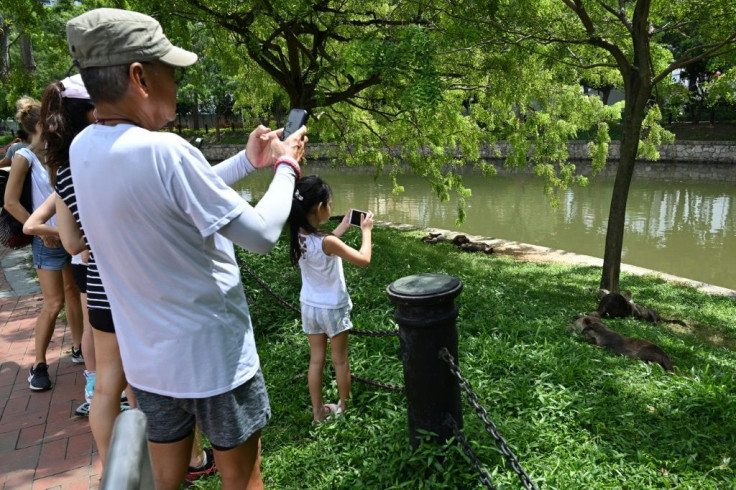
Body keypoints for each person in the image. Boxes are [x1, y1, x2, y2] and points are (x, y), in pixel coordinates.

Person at [66, 8, 307, 490]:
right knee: (242, 482)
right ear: (140, 77)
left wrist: (246, 161)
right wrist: (287, 167)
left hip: (149, 364)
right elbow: (260, 234)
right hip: (214, 362)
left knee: (165, 480)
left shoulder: (84, 147)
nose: (177, 82)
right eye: (170, 70)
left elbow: (174, 199)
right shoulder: (166, 151)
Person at [3, 96, 83, 391]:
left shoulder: (56, 153)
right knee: (54, 302)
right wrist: (43, 233)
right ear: (39, 124)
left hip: (68, 236)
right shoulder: (24, 156)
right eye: (50, 119)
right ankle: (38, 364)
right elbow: (10, 202)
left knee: (73, 292)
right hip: (46, 240)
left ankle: (79, 347)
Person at [287, 175, 373, 423]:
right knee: (340, 361)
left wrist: (343, 226)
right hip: (333, 310)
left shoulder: (300, 237)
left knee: (316, 361)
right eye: (329, 203)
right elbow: (363, 259)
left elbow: (323, 249)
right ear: (320, 207)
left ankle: (317, 413)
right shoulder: (327, 241)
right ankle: (344, 409)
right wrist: (366, 231)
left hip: (310, 308)